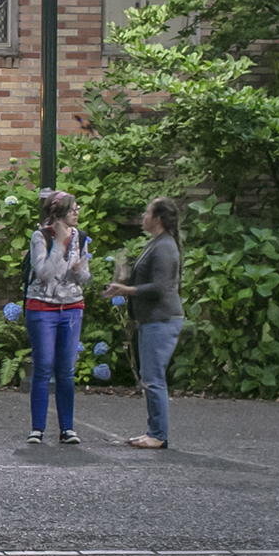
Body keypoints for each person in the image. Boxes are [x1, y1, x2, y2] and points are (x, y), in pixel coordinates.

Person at [104, 197, 184, 450]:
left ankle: (158, 435)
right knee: (151, 378)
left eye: (147, 212)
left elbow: (160, 288)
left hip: (160, 319)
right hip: (154, 319)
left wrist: (126, 289)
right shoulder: (158, 243)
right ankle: (154, 432)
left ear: (157, 218)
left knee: (154, 379)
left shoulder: (164, 247)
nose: (142, 216)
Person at [22, 189, 93, 447]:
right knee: (43, 367)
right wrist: (60, 246)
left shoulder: (82, 237)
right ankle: (37, 429)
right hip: (42, 307)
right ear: (59, 212)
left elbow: (85, 277)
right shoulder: (40, 237)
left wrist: (79, 271)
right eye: (73, 208)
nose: (77, 213)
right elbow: (43, 273)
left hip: (72, 307)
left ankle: (67, 429)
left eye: (77, 208)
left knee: (66, 369)